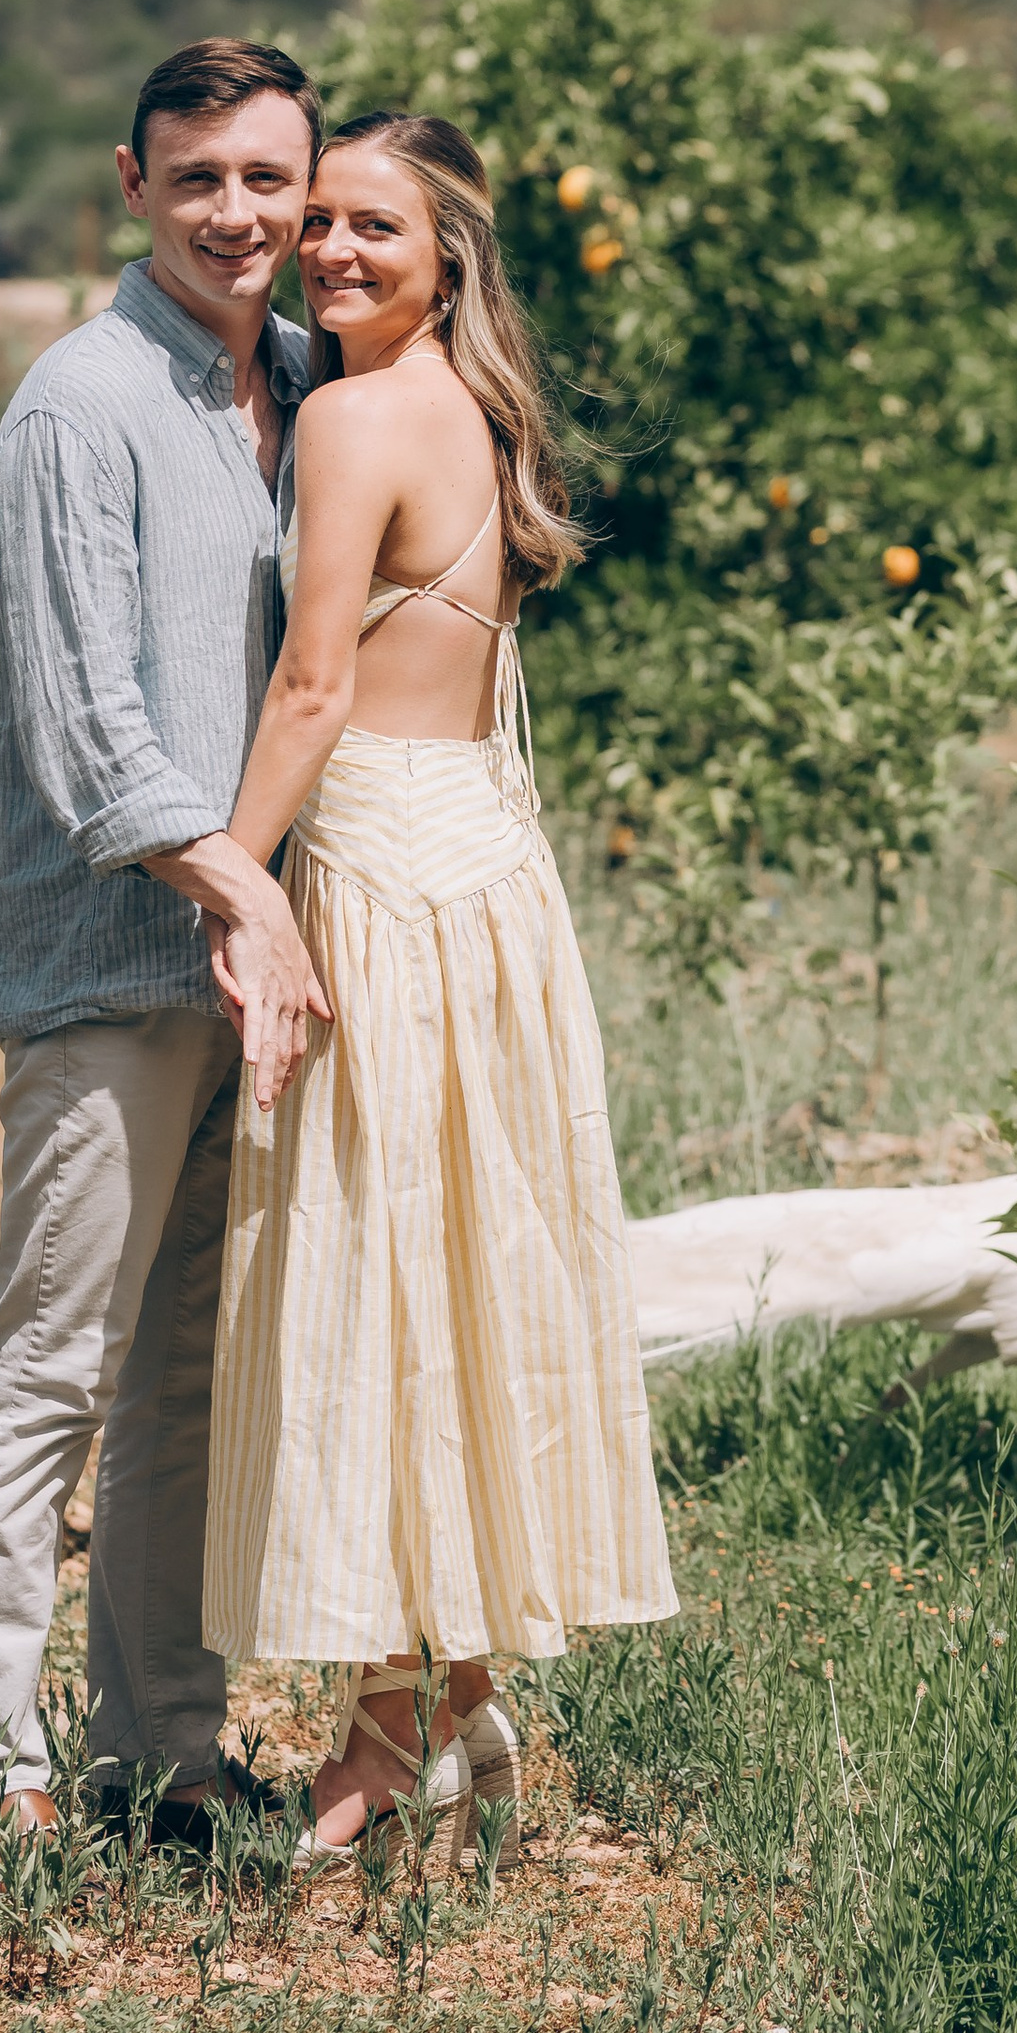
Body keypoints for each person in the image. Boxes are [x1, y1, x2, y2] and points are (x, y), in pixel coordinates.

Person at [204, 110, 674, 1861]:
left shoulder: (346, 412)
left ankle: (396, 1721)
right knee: (469, 1270)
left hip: (389, 870)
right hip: (492, 863)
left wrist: (237, 878)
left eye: (369, 228)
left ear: (450, 252)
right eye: (316, 220)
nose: (327, 249)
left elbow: (314, 684)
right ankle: (453, 1691)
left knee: (378, 1281)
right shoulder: (474, 418)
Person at [0, 40, 334, 1835]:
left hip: (252, 969)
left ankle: (161, 1749)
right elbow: (87, 729)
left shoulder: (307, 383)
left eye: (269, 178)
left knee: (188, 1379)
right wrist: (245, 895)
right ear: (130, 183)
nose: (238, 214)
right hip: (116, 960)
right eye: (200, 180)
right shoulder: (77, 405)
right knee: (56, 1358)